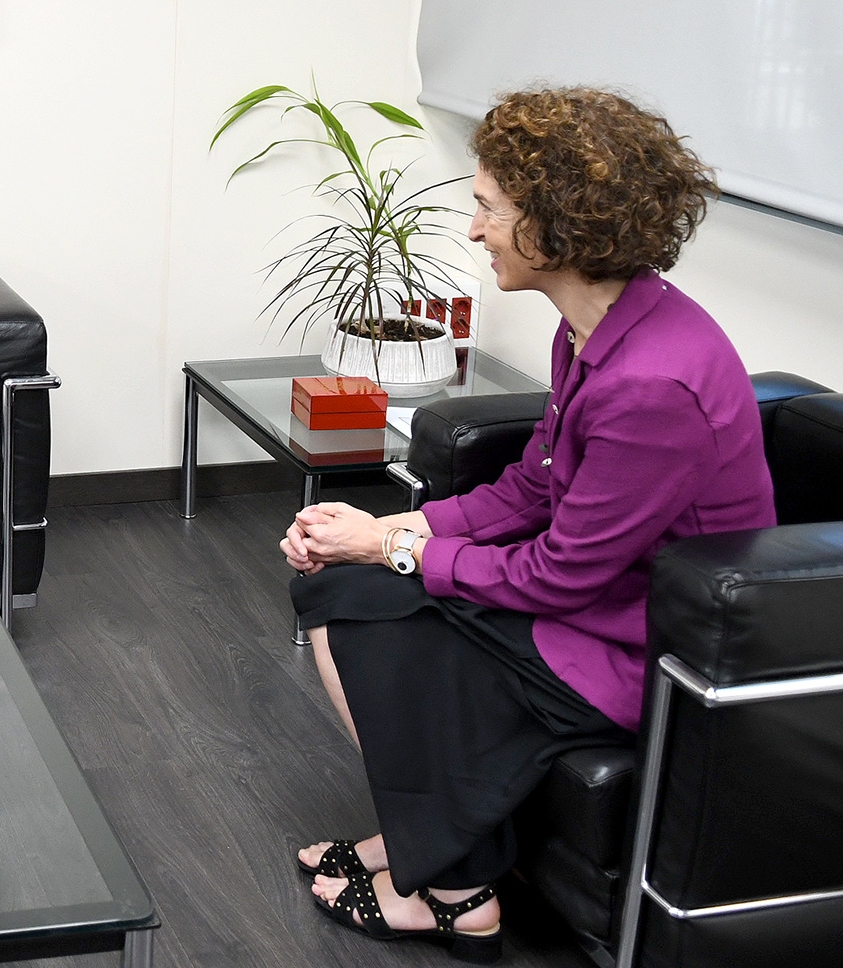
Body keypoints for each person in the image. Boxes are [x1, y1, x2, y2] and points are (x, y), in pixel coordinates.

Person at [280, 87, 773, 961]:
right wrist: (384, 526)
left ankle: (454, 889)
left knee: (363, 610)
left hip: (641, 644)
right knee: (336, 582)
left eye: (487, 209)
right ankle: (424, 847)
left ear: (557, 224)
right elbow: (530, 489)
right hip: (595, 596)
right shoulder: (596, 329)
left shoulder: (651, 385)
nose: (473, 231)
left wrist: (393, 549)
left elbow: (560, 575)